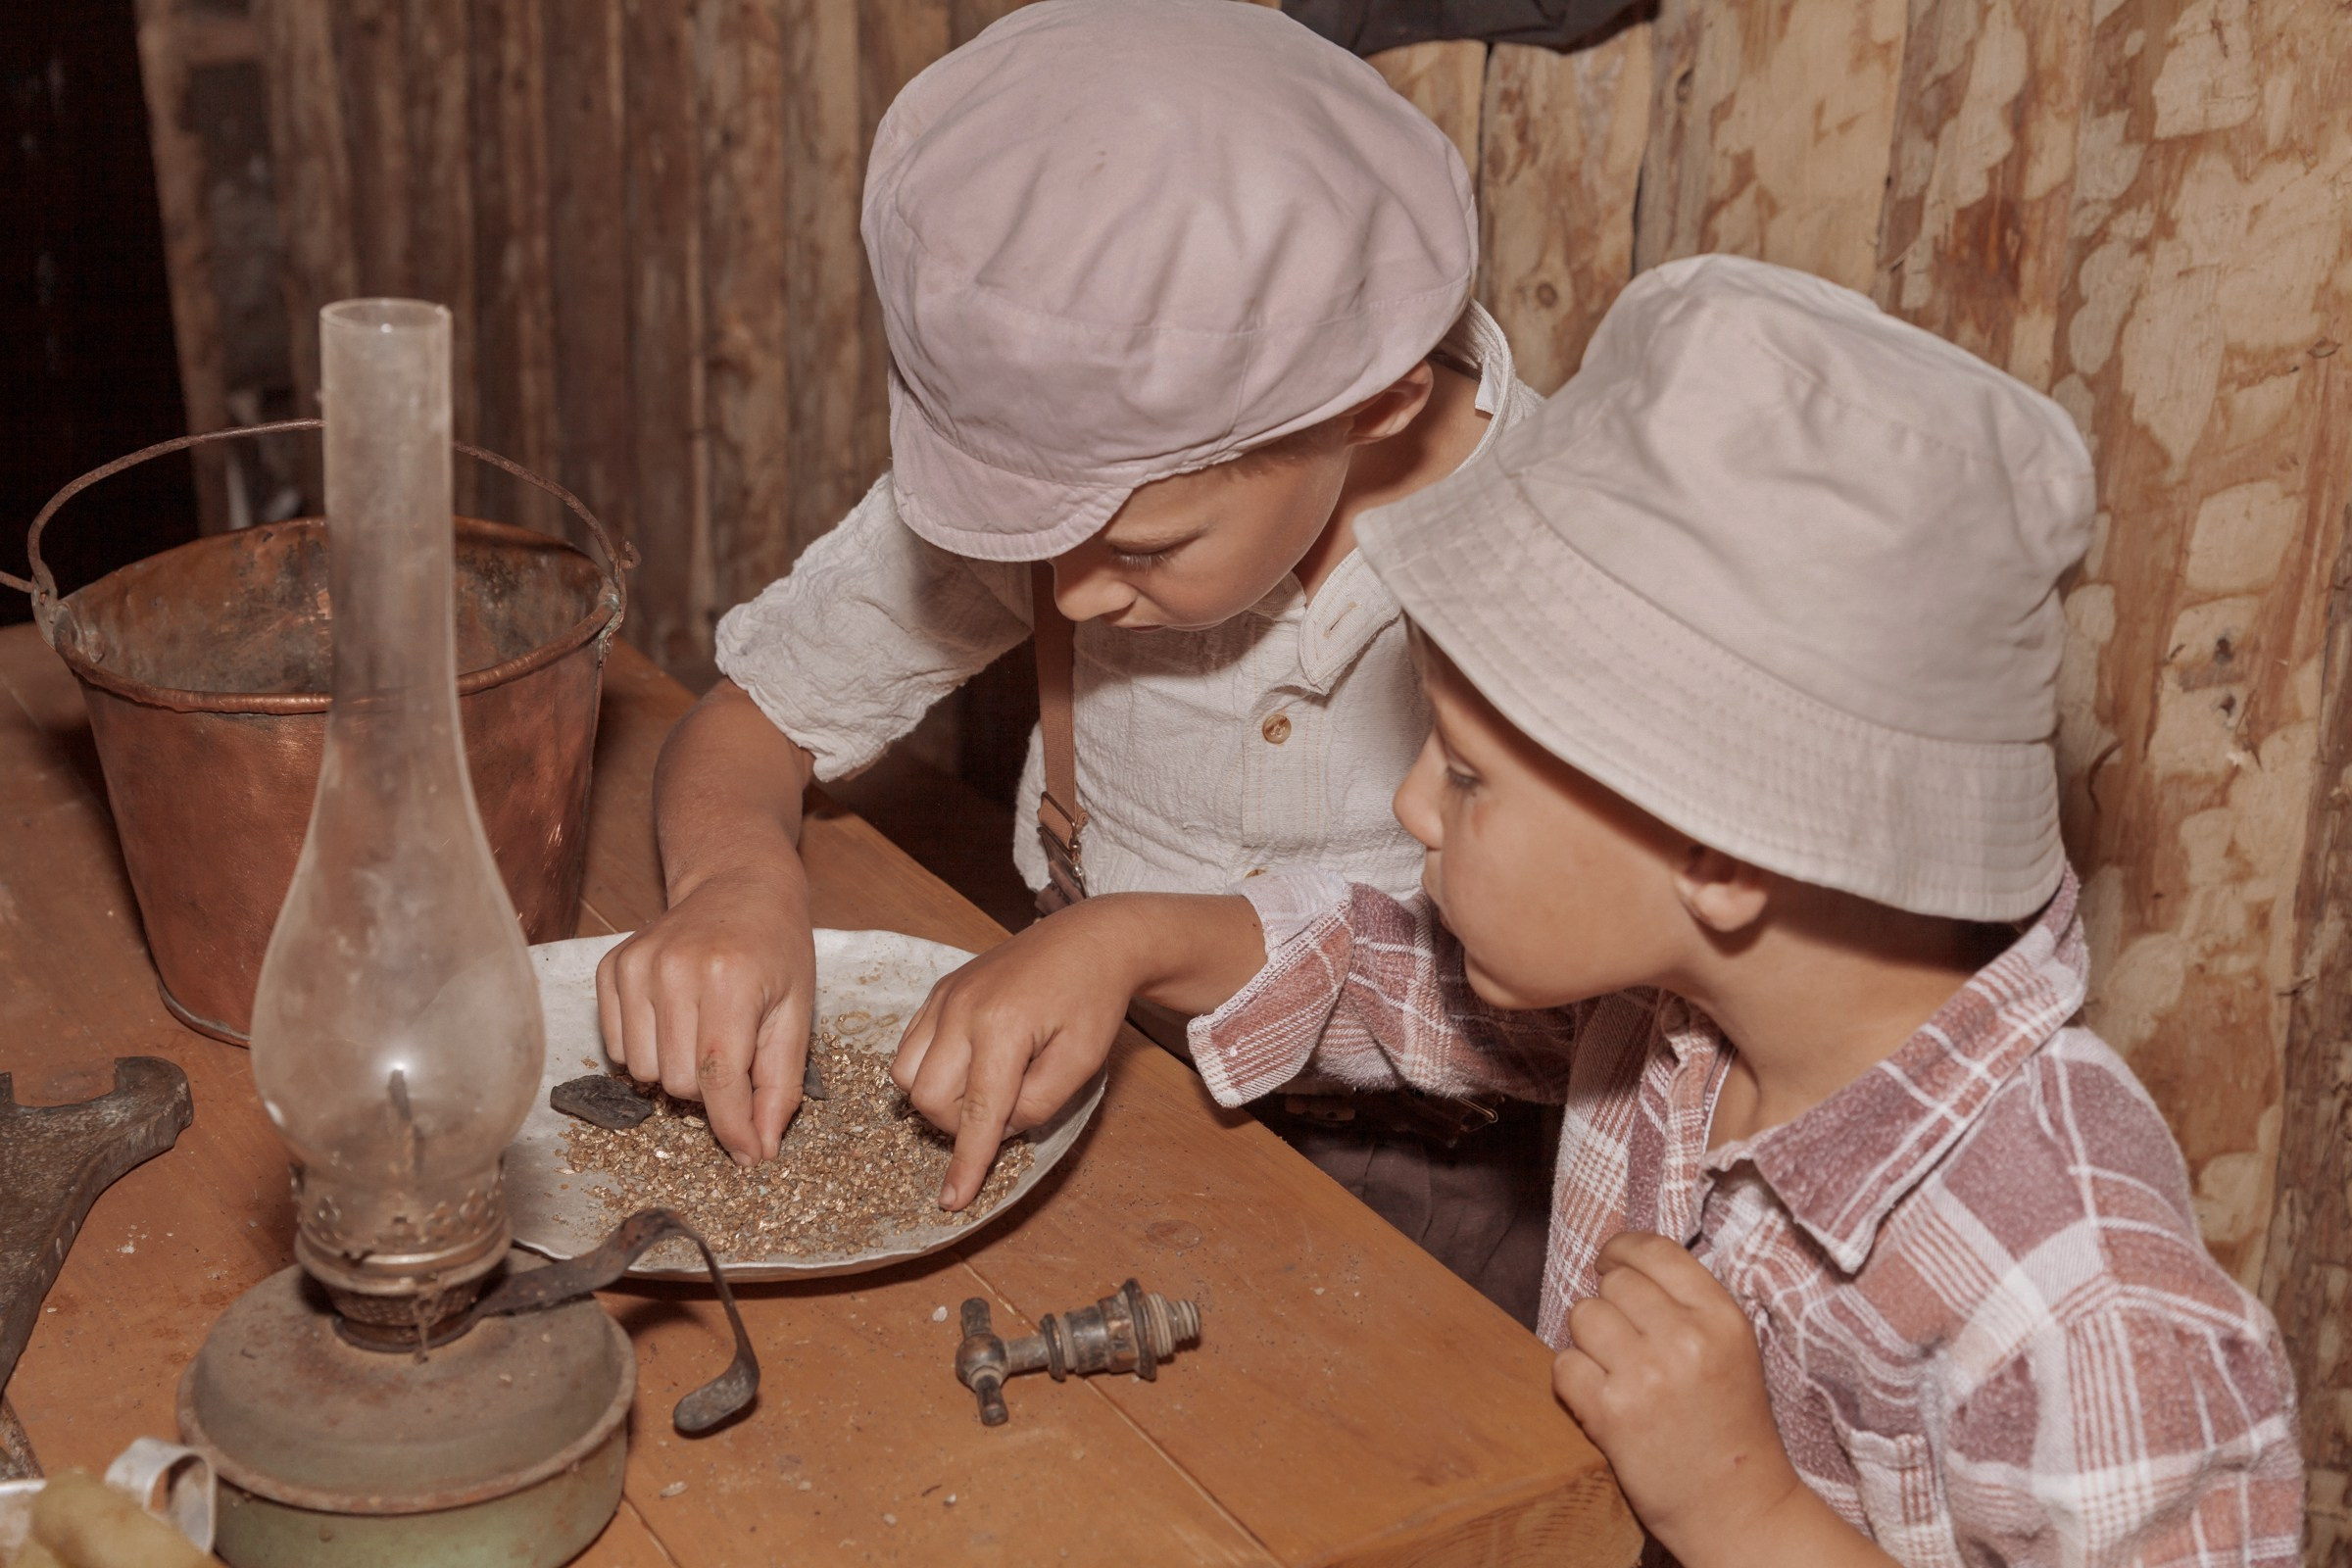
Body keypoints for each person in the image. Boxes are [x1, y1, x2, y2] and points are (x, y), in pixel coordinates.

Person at [894, 255, 2306, 1564]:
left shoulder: (2081, 1293)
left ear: (1721, 853)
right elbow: (1400, 983)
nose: (1411, 810)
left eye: (1464, 776)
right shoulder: (1682, 1005)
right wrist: (1128, 933)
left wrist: (1745, 1507)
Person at [596, 0, 1560, 1322]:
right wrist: (729, 881)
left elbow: (1568, 1022)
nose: (1069, 591)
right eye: (1026, 536)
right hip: (1109, 1082)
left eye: (1150, 551)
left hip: (1442, 1177)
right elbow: (759, 716)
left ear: (1377, 403)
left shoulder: (1570, 564)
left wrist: (1137, 941)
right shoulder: (1078, 492)